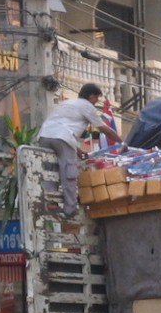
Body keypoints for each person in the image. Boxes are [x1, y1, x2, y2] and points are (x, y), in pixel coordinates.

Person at [37, 83, 124, 217]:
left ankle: (50, 203)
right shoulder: (87, 106)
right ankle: (70, 208)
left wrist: (78, 151)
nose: (96, 102)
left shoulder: (66, 103)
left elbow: (63, 126)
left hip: (44, 136)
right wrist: (121, 142)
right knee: (69, 171)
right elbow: (104, 129)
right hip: (62, 137)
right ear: (91, 96)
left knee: (50, 169)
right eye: (96, 98)